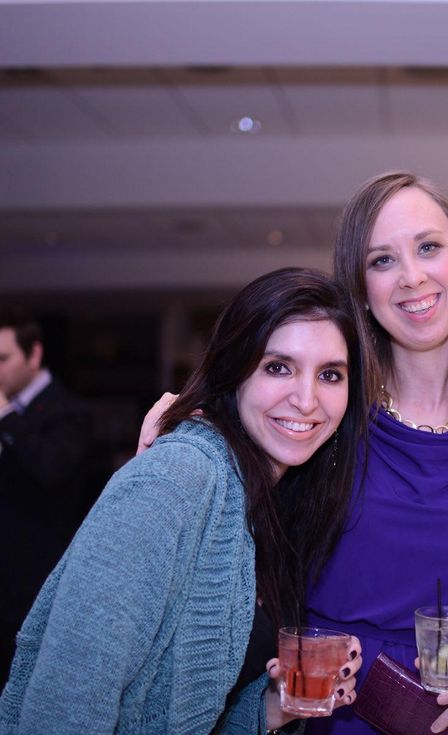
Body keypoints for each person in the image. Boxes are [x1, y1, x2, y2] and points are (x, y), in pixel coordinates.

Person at [139, 173, 448, 734]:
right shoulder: (326, 407)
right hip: (324, 708)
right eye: (382, 260)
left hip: (447, 718)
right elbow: (235, 435)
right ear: (361, 288)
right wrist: (185, 422)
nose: (412, 276)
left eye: (428, 247)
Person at [1, 268, 363, 733]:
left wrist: (274, 706)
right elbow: (66, 698)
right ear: (233, 371)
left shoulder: (272, 500)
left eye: (330, 374)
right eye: (278, 367)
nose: (308, 400)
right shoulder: (177, 477)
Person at [0, 310, 91, 686]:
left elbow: (51, 471)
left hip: (37, 579)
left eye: (3, 359)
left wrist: (5, 414)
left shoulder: (69, 410)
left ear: (34, 355)